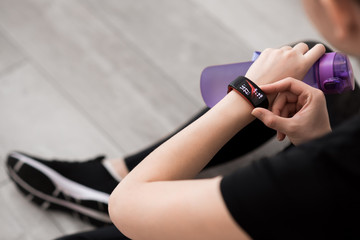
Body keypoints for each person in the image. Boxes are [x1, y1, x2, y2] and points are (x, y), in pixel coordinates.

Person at [6, 0, 360, 239]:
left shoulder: (329, 172)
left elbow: (127, 205)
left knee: (135, 220)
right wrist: (317, 140)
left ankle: (131, 187)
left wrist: (249, 91)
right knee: (320, 71)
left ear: (337, 12)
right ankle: (120, 178)